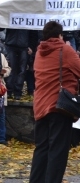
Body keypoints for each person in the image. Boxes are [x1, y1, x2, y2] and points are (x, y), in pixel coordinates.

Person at [29, 21, 80, 183]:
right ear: (60, 35)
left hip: (40, 106)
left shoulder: (39, 52)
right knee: (58, 151)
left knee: (41, 149)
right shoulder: (65, 50)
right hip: (59, 107)